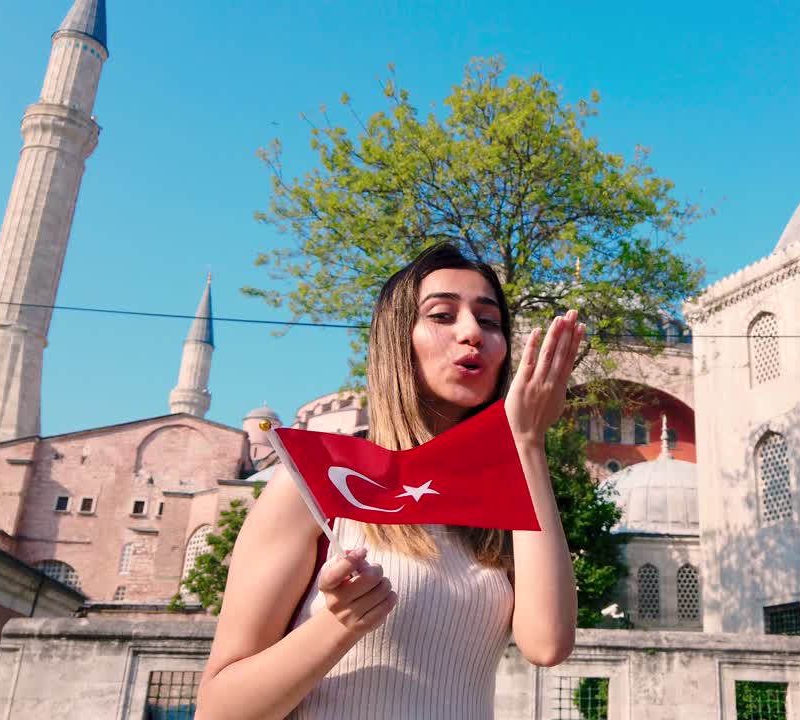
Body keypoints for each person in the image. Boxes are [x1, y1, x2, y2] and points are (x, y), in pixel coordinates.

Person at [196, 243, 583, 719]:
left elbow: (547, 643)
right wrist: (339, 623)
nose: (472, 334)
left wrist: (526, 442)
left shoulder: (501, 496)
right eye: (442, 315)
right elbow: (219, 709)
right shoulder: (316, 484)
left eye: (489, 321)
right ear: (399, 339)